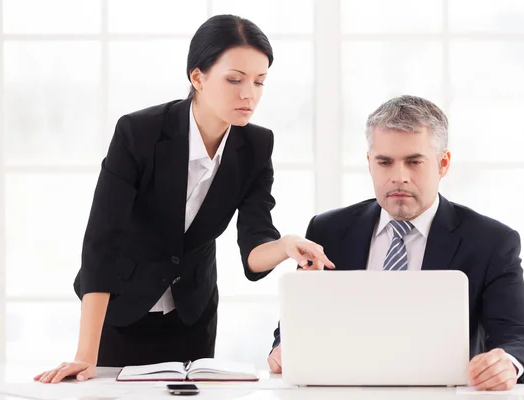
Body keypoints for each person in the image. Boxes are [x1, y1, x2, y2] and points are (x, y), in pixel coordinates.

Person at [34, 14, 333, 384]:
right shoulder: (138, 133)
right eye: (235, 79)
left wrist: (286, 245)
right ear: (197, 77)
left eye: (260, 82)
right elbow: (102, 241)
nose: (248, 94)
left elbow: (255, 248)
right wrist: (85, 354)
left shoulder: (256, 146)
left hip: (192, 316)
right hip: (120, 310)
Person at [267, 95, 524, 391]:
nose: (399, 178)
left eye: (414, 162)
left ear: (443, 163)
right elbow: (297, 325)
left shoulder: (491, 242)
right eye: (385, 162)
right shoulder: (329, 230)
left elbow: (520, 337)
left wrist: (507, 363)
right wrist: (285, 349)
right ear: (370, 164)